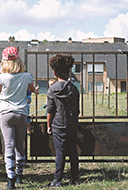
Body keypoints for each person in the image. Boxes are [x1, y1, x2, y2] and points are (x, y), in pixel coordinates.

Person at [0, 46, 39, 189]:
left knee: (8, 145)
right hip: (21, 113)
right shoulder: (27, 76)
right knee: (20, 144)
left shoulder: (1, 77)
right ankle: (20, 175)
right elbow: (33, 90)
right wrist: (36, 91)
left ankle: (10, 179)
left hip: (5, 114)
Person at [46, 54, 80, 187]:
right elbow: (77, 109)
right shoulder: (74, 89)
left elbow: (50, 110)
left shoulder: (52, 89)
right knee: (73, 152)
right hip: (72, 124)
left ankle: (57, 179)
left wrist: (49, 125)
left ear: (54, 72)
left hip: (58, 125)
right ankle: (75, 178)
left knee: (60, 153)